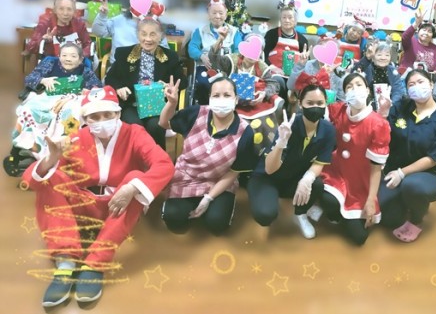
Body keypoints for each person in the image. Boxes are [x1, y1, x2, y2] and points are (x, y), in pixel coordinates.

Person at [21, 86, 174, 307]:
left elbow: (164, 165)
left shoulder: (135, 134)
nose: (101, 121)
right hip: (83, 205)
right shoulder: (75, 137)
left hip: (118, 207)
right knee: (52, 176)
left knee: (136, 179)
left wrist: (132, 188)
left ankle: (95, 263)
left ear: (118, 113)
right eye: (94, 116)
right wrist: (50, 159)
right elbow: (31, 182)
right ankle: (65, 263)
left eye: (107, 114)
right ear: (85, 119)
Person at [159, 76, 257, 235]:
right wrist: (171, 103)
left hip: (219, 181)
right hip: (186, 176)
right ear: (209, 98)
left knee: (217, 224)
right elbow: (164, 123)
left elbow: (234, 172)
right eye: (216, 95)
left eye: (227, 95)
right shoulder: (196, 113)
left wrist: (208, 198)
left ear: (236, 99)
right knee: (174, 220)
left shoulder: (245, 132)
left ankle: (214, 206)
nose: (221, 99)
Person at [247, 71, 336, 239]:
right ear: (301, 104)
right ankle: (271, 198)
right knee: (265, 215)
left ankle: (300, 213)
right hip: (267, 178)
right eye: (310, 103)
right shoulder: (289, 126)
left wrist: (307, 178)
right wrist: (281, 142)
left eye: (319, 103)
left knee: (316, 184)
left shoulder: (328, 130)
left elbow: (320, 161)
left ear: (326, 104)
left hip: (292, 178)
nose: (315, 107)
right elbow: (270, 169)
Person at [377, 69, 436, 242]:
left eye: (421, 82)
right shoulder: (401, 107)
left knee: (413, 186)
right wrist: (383, 115)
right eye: (411, 84)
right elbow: (383, 135)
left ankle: (416, 219)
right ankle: (405, 200)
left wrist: (402, 173)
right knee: (387, 219)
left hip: (431, 174)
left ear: (431, 84)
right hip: (395, 169)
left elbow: (433, 159)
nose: (416, 87)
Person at [7, 42, 102, 176]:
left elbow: (97, 89)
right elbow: (30, 78)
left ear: (81, 59)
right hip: (47, 98)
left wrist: (80, 93)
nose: (68, 59)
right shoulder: (50, 63)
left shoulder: (85, 71)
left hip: (71, 100)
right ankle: (31, 145)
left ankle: (62, 148)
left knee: (71, 112)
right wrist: (43, 80)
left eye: (73, 56)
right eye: (64, 55)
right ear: (59, 56)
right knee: (28, 109)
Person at [319, 73, 390, 245]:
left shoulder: (378, 123)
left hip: (361, 181)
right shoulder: (339, 109)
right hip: (337, 173)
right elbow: (318, 107)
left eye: (358, 85)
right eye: (349, 87)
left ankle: (345, 214)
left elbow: (376, 167)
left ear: (367, 90)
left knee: (359, 238)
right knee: (326, 198)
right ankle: (334, 212)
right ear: (345, 94)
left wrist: (371, 200)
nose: (354, 89)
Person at [105, 17, 187, 149]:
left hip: (157, 106)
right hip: (131, 104)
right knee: (135, 126)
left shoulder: (170, 56)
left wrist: (168, 86)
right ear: (138, 35)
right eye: (143, 34)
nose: (148, 39)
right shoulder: (124, 54)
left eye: (152, 34)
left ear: (160, 36)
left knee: (156, 126)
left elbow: (182, 81)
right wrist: (119, 87)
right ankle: (135, 159)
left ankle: (158, 158)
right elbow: (110, 78)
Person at [91, 0, 168, 65]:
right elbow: (99, 32)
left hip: (146, 67)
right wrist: (102, 15)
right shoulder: (118, 20)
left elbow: (164, 51)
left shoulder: (155, 24)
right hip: (120, 66)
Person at [24, 0, 92, 59]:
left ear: (74, 11)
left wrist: (79, 55)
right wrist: (43, 40)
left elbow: (88, 45)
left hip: (75, 62)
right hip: (52, 63)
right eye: (61, 9)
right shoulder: (45, 23)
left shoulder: (79, 24)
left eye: (69, 9)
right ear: (55, 10)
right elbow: (30, 48)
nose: (65, 13)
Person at [353, 42, 406, 108]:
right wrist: (366, 58)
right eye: (379, 55)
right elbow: (353, 75)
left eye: (387, 55)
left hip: (389, 106)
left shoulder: (393, 71)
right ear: (373, 56)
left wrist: (391, 104)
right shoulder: (366, 67)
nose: (383, 58)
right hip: (366, 107)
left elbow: (398, 90)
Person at [263, 0, 309, 69]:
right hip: (273, 73)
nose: (287, 20)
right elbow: (263, 56)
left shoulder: (302, 40)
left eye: (290, 17)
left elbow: (307, 64)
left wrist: (304, 61)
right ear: (280, 19)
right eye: (284, 17)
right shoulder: (271, 35)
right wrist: (273, 68)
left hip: (294, 74)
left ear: (295, 20)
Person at [398, 10, 436, 75]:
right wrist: (416, 23)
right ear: (418, 32)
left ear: (432, 35)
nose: (426, 33)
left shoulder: (434, 47)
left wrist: (434, 73)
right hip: (408, 75)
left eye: (429, 31)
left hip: (426, 77)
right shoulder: (411, 41)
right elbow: (405, 36)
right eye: (424, 30)